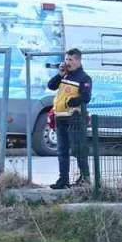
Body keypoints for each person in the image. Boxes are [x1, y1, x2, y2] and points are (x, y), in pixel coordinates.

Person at [46, 48, 93, 190]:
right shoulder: (64, 76)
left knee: (78, 150)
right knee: (62, 151)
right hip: (60, 118)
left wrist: (71, 101)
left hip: (74, 119)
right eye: (66, 59)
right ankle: (63, 179)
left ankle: (85, 178)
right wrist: (59, 75)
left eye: (71, 60)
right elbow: (51, 86)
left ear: (78, 60)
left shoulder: (84, 78)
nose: (67, 62)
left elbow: (86, 97)